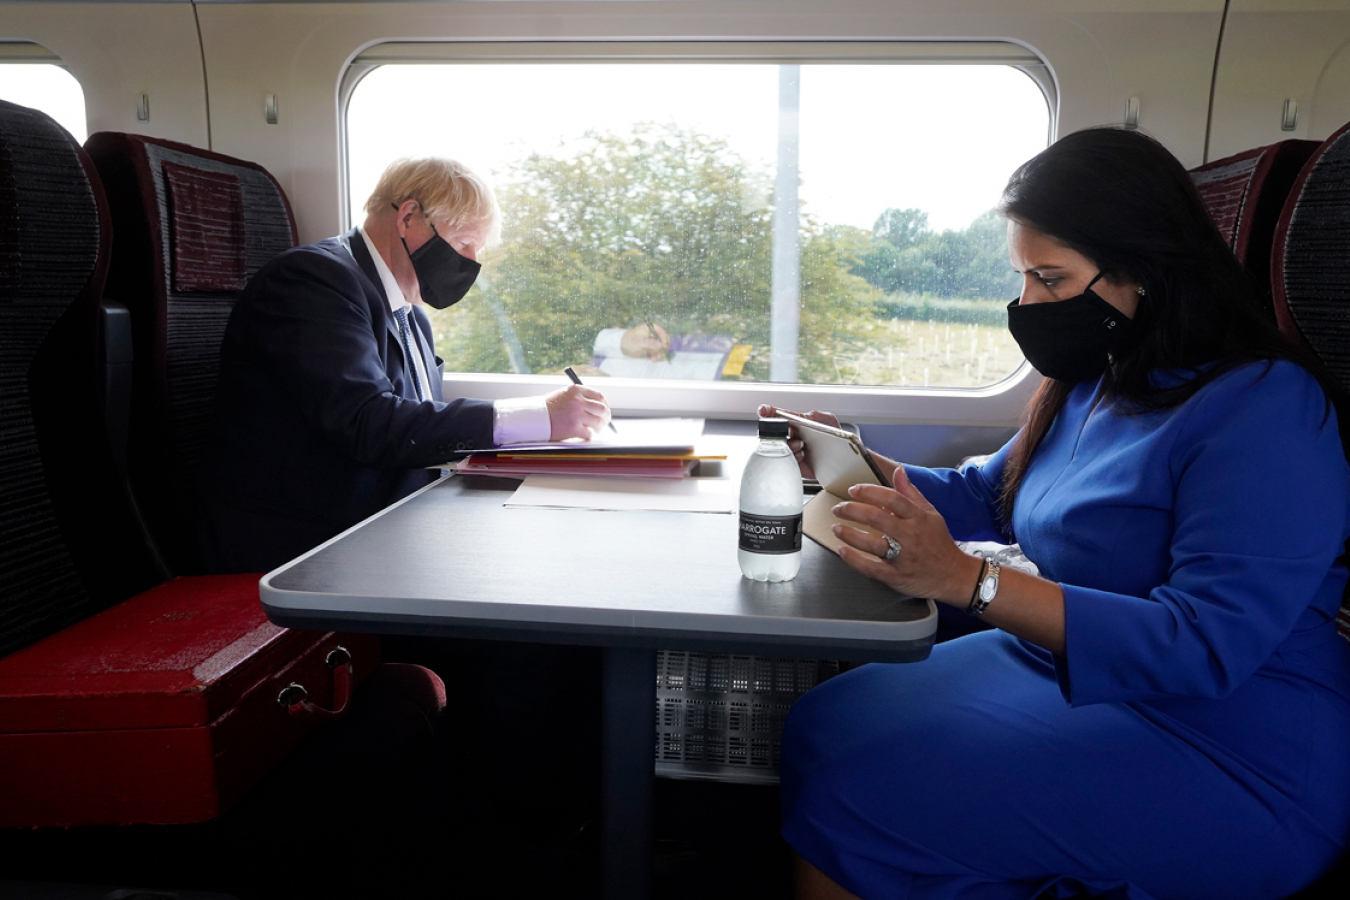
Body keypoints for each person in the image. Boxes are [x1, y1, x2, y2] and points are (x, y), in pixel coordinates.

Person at [767, 127, 1350, 900]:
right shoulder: (1096, 379)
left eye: (1051, 278)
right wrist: (856, 464)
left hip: (1233, 741)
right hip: (1069, 669)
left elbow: (1206, 647)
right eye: (1023, 277)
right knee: (825, 722)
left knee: (856, 788)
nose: (1028, 304)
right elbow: (986, 495)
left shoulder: (1266, 407)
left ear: (1144, 269)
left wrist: (968, 582)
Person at [207, 157, 612, 572]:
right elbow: (371, 424)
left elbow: (418, 426)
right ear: (408, 217)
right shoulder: (312, 280)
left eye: (479, 249)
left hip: (386, 520)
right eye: (463, 241)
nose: (472, 261)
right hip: (306, 539)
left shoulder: (410, 314)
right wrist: (540, 416)